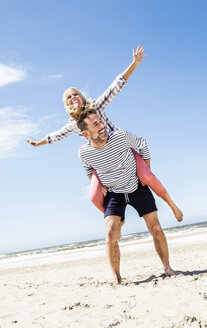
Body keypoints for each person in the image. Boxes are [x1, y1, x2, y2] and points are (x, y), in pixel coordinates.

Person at [27, 46, 183, 222]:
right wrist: (36, 143)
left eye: (75, 94)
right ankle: (117, 218)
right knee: (94, 197)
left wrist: (135, 63)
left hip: (120, 150)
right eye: (69, 97)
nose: (73, 98)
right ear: (67, 105)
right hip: (101, 160)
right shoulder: (72, 125)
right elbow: (53, 137)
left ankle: (171, 204)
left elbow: (116, 86)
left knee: (147, 176)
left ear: (81, 96)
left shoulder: (96, 106)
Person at [76, 108, 177, 285]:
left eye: (100, 121)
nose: (102, 125)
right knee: (110, 233)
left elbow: (142, 143)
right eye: (96, 124)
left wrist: (146, 170)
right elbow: (88, 170)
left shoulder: (120, 137)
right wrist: (100, 184)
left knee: (156, 229)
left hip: (137, 186)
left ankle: (167, 267)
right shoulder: (84, 153)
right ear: (86, 133)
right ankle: (116, 277)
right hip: (114, 193)